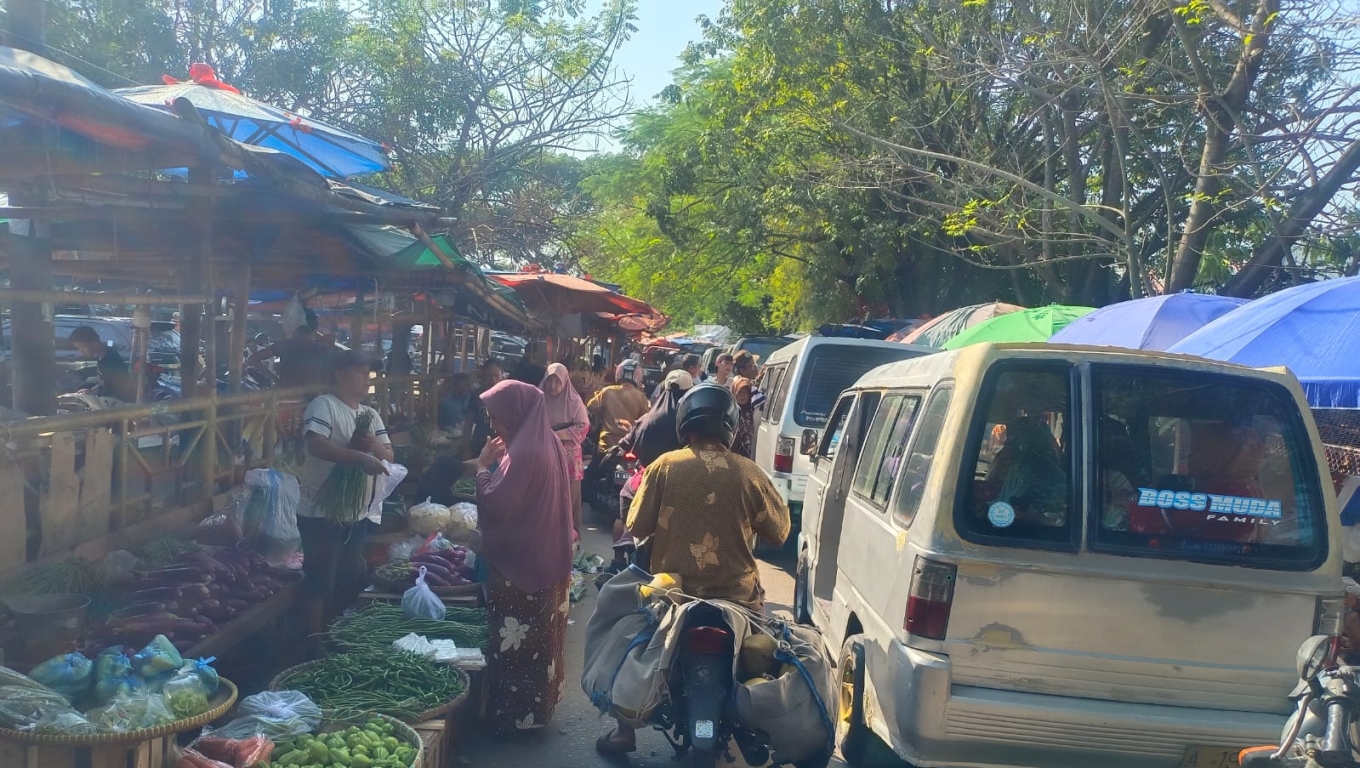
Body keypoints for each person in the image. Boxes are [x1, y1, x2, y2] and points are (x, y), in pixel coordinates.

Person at [598, 383, 791, 756]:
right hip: (739, 601)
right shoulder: (750, 474)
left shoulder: (664, 466)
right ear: (731, 426)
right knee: (760, 655)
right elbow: (780, 532)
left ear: (685, 423)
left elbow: (636, 525)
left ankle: (624, 732)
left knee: (626, 640)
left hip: (672, 597)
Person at [475, 380, 574, 737]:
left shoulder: (524, 451)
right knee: (540, 644)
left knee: (517, 645)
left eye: (495, 418)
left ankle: (514, 718)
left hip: (523, 567)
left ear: (516, 413)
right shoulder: (545, 442)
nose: (492, 426)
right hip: (547, 562)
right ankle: (534, 712)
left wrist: (484, 468)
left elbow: (497, 503)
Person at [297, 350, 393, 656]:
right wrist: (358, 456)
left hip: (358, 513)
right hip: (322, 512)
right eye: (360, 372)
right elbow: (315, 443)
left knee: (347, 577)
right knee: (320, 578)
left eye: (369, 373)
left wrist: (373, 446)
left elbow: (390, 456)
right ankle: (312, 643)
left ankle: (336, 635)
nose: (366, 379)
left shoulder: (371, 414)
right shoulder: (324, 405)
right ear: (339, 374)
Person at [583, 360, 650, 504]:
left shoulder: (608, 391)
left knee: (590, 474)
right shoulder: (641, 398)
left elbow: (590, 406)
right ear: (638, 376)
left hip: (606, 447)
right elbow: (646, 420)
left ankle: (585, 499)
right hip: (631, 448)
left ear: (619, 373)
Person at [540, 363, 590, 538]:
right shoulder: (540, 400)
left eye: (557, 382)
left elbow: (583, 426)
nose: (552, 386)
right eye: (549, 381)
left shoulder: (574, 401)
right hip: (545, 452)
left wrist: (558, 434)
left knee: (569, 496)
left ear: (564, 382)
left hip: (568, 456)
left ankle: (570, 535)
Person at [246, 311, 333, 389]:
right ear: (314, 330)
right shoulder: (321, 350)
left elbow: (252, 360)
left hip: (286, 398)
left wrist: (275, 379)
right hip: (312, 400)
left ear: (294, 328)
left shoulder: (285, 345)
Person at [69, 326, 136, 402]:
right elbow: (105, 381)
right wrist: (89, 391)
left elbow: (114, 386)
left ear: (94, 344)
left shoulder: (111, 359)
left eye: (82, 347)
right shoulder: (102, 356)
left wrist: (90, 392)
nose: (81, 351)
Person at [463, 359, 504, 457]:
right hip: (479, 443)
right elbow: (469, 422)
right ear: (484, 376)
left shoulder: (507, 395)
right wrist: (466, 447)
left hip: (500, 445)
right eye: (490, 376)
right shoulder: (476, 394)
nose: (493, 379)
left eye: (496, 375)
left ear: (502, 375)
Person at [731, 376, 757, 459]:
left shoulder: (755, 411)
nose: (743, 396)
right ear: (735, 393)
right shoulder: (731, 412)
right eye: (740, 392)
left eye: (746, 393)